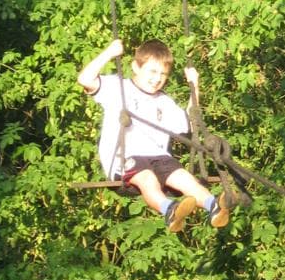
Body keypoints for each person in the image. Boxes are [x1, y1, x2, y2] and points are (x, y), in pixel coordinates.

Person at [77, 37, 229, 234]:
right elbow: (84, 79)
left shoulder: (164, 101)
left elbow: (191, 121)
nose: (157, 79)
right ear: (136, 67)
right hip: (125, 160)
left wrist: (195, 86)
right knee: (147, 179)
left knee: (185, 178)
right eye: (152, 71)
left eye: (163, 74)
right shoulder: (117, 88)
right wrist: (109, 52)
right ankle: (169, 210)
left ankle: (214, 206)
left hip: (159, 157)